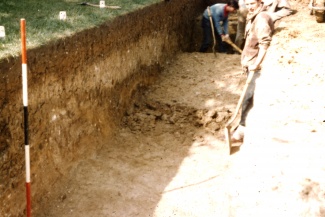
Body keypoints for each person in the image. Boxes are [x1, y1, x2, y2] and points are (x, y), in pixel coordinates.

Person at [231, 0, 274, 142]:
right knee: (248, 95)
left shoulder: (261, 19)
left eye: (252, 3)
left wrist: (256, 63)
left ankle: (242, 128)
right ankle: (242, 126)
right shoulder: (253, 16)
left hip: (256, 65)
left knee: (248, 97)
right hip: (250, 63)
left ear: (259, 2)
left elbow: (264, 44)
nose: (249, 7)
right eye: (247, 3)